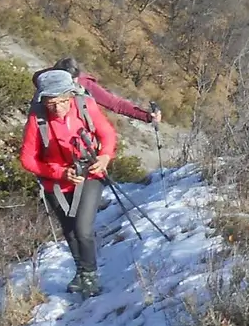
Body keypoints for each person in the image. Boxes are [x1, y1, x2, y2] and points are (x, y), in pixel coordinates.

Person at [19, 68, 117, 297]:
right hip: (57, 182)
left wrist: (105, 157)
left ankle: (91, 275)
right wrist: (59, 173)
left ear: (71, 95)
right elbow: (27, 159)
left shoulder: (85, 106)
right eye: (52, 103)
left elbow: (107, 134)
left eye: (63, 101)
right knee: (70, 232)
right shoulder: (37, 118)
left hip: (91, 174)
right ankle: (81, 272)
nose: (59, 108)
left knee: (83, 229)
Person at [31, 57, 162, 125]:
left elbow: (115, 104)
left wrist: (146, 116)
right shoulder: (45, 78)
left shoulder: (85, 84)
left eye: (74, 80)